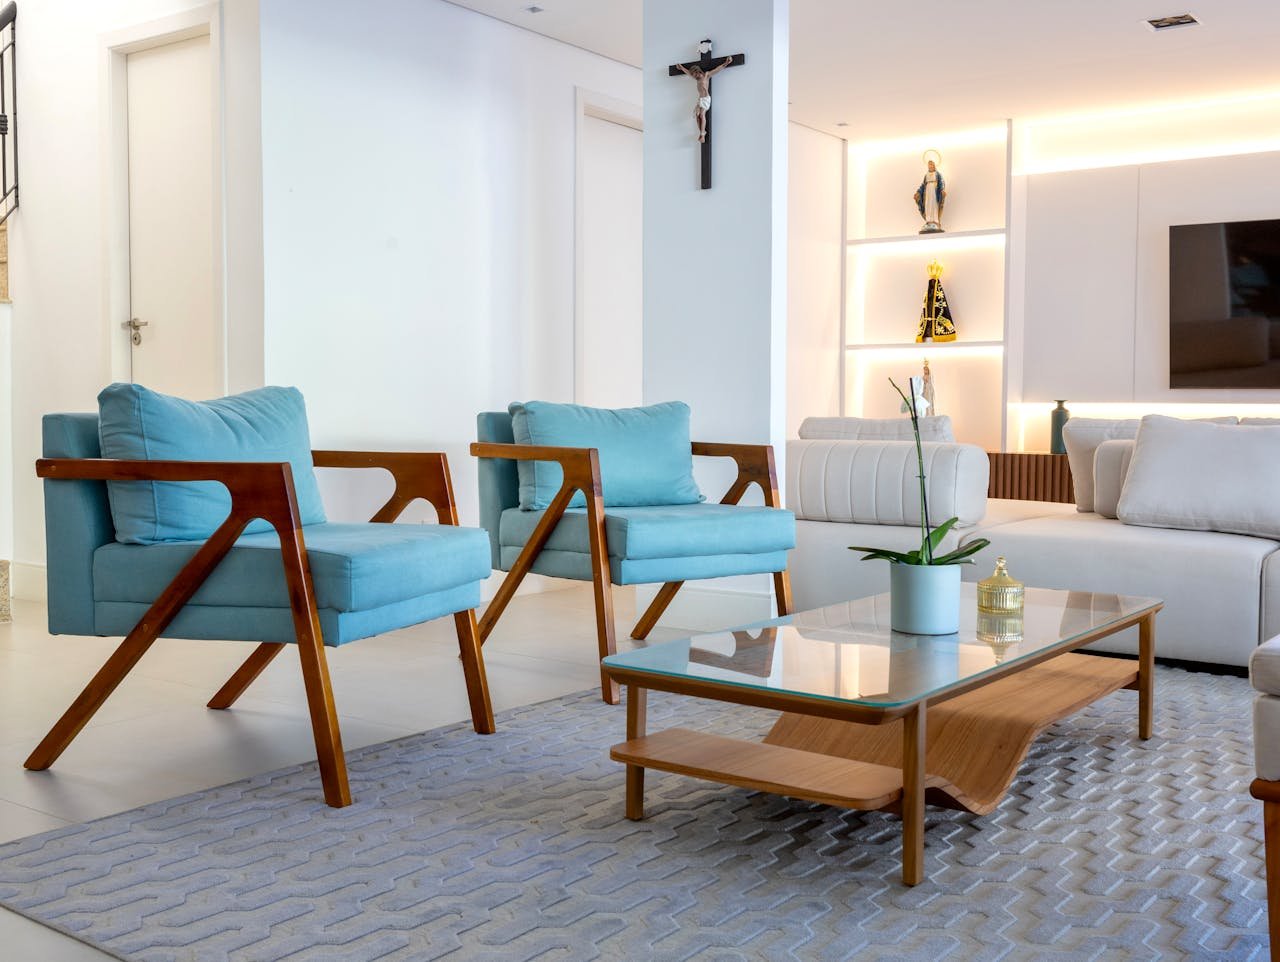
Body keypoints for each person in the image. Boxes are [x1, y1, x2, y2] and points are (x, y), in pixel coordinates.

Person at [677, 56, 735, 143]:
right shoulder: (696, 78)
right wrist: (681, 67)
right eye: (693, 75)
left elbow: (717, 69)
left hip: (706, 99)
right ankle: (702, 132)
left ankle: (702, 135)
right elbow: (688, 72)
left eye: (694, 74)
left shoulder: (706, 75)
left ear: (698, 71)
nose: (693, 76)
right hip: (700, 99)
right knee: (697, 115)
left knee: (701, 114)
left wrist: (726, 62)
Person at [914, 159, 947, 233]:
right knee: (928, 205)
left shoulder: (937, 174)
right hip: (927, 193)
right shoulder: (926, 175)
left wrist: (942, 190)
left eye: (931, 165)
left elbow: (941, 182)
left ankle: (935, 221)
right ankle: (928, 220)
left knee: (934, 205)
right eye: (929, 165)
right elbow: (923, 185)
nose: (930, 166)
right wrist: (918, 192)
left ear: (934, 165)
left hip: (934, 192)